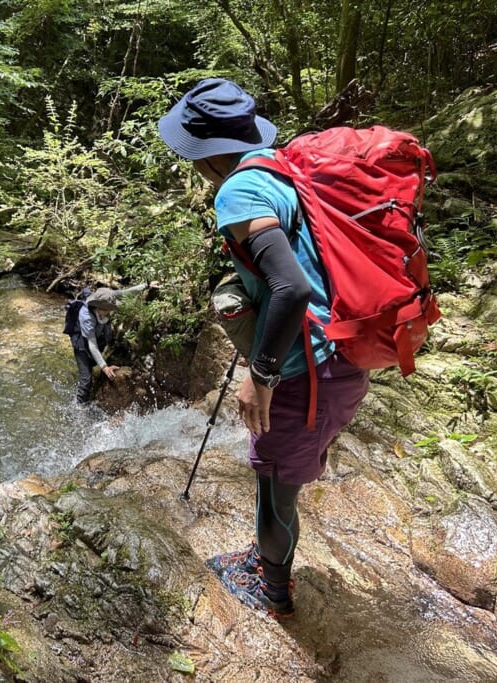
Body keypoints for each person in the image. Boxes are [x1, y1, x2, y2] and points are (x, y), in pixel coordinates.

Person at [157, 78, 370, 618]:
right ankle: (265, 556)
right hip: (341, 359)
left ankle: (272, 590)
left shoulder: (239, 189)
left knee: (277, 486)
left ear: (207, 151)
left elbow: (292, 287)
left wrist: (263, 374)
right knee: (282, 474)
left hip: (307, 375)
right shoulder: (286, 167)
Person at [71, 283, 152, 403]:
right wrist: (105, 367)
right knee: (86, 379)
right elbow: (92, 344)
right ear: (99, 307)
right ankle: (79, 407)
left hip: (98, 335)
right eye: (107, 310)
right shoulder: (86, 316)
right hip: (81, 343)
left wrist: (147, 285)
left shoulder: (108, 295)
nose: (109, 312)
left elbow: (127, 292)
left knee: (94, 362)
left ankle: (94, 374)